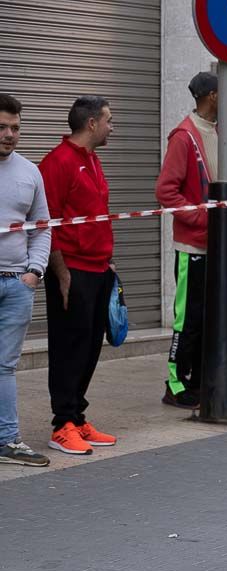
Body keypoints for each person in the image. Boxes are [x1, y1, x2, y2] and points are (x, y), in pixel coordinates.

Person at [38, 95, 118, 455]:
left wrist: (109, 263)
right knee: (69, 348)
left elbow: (97, 214)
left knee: (89, 348)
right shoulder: (57, 163)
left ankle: (78, 417)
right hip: (72, 270)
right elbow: (47, 221)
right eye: (108, 120)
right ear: (91, 124)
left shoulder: (94, 161)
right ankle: (62, 425)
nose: (111, 127)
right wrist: (60, 271)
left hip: (98, 267)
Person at [157, 72, 218, 409]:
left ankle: (196, 380)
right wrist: (199, 218)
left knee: (205, 317)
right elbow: (166, 190)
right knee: (187, 318)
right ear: (211, 96)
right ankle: (175, 383)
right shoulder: (184, 136)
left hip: (214, 245)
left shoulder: (216, 132)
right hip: (192, 245)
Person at [0, 93, 51, 467]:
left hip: (18, 284)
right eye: (2, 127)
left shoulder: (30, 172)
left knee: (5, 366)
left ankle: (8, 440)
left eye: (15, 128)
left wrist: (34, 272)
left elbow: (42, 228)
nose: (9, 135)